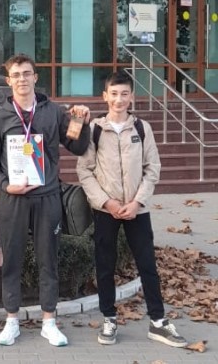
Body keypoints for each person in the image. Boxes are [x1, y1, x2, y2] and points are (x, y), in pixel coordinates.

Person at [0, 54, 90, 347]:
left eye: (26, 73)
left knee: (48, 259)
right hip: (13, 199)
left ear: (35, 77)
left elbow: (78, 146)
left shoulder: (53, 112)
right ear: (8, 81)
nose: (22, 79)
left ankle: (49, 322)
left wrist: (81, 120)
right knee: (12, 260)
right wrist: (5, 185)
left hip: (47, 197)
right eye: (16, 75)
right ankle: (12, 321)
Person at [76, 70, 188, 348]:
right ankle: (109, 318)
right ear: (105, 96)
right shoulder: (95, 129)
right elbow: (84, 171)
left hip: (137, 210)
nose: (119, 99)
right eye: (114, 94)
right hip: (106, 210)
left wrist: (137, 202)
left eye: (124, 94)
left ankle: (158, 322)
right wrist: (107, 202)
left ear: (131, 97)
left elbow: (153, 168)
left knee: (147, 265)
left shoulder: (141, 128)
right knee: (105, 265)